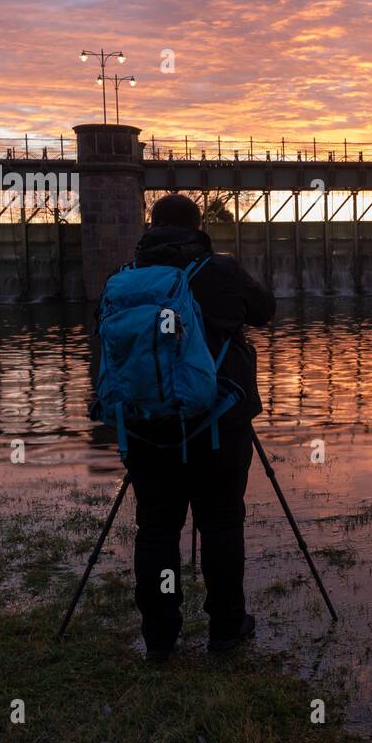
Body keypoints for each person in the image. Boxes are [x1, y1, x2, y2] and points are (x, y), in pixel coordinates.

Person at [121, 193, 276, 660]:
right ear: (197, 228)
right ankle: (226, 630)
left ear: (151, 228)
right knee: (222, 523)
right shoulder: (220, 271)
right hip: (217, 424)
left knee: (156, 529)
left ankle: (160, 639)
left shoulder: (124, 279)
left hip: (147, 426)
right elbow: (265, 311)